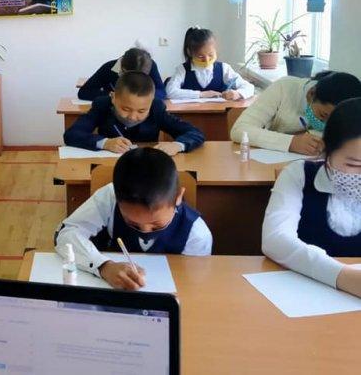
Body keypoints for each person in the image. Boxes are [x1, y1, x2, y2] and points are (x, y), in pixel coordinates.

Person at [55, 147, 212, 290]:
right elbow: (66, 233)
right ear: (116, 198)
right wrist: (103, 266)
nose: (145, 231)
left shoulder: (197, 235)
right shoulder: (110, 197)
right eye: (133, 223)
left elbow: (194, 285)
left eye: (156, 225)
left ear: (178, 197)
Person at [262, 97, 361, 298]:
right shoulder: (299, 175)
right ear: (327, 151)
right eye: (353, 165)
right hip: (304, 294)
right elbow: (275, 239)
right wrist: (342, 276)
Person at [64, 71, 204, 156]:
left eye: (142, 111)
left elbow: (195, 133)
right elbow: (72, 134)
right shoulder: (102, 105)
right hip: (109, 165)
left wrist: (177, 145)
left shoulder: (156, 109)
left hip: (145, 169)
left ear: (151, 103)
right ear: (113, 97)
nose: (132, 117)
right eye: (125, 109)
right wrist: (105, 143)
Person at [231, 71, 361, 154]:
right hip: (266, 165)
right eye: (323, 115)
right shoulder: (283, 88)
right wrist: (291, 142)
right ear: (311, 94)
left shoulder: (350, 108)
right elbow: (240, 130)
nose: (324, 124)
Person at [166, 27, 254, 100]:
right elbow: (170, 91)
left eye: (211, 55)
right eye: (201, 57)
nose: (207, 60)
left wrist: (238, 93)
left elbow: (249, 87)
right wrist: (201, 94)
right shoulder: (182, 70)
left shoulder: (224, 68)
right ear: (189, 53)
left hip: (219, 113)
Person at [79, 47, 166, 101]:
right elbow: (84, 92)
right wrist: (112, 95)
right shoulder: (108, 67)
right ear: (123, 69)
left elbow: (161, 92)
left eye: (143, 76)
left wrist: (145, 96)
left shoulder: (150, 65)